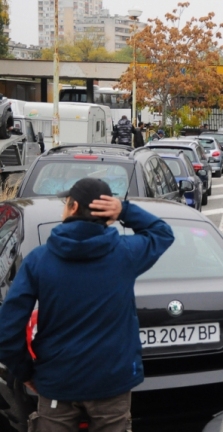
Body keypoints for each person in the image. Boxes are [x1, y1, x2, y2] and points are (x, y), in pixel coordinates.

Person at [0, 178, 174, 431]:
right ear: (107, 213)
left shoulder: (39, 260)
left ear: (72, 207)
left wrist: (26, 373)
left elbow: (7, 330)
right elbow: (162, 232)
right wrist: (124, 210)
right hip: (111, 384)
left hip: (57, 383)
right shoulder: (126, 253)